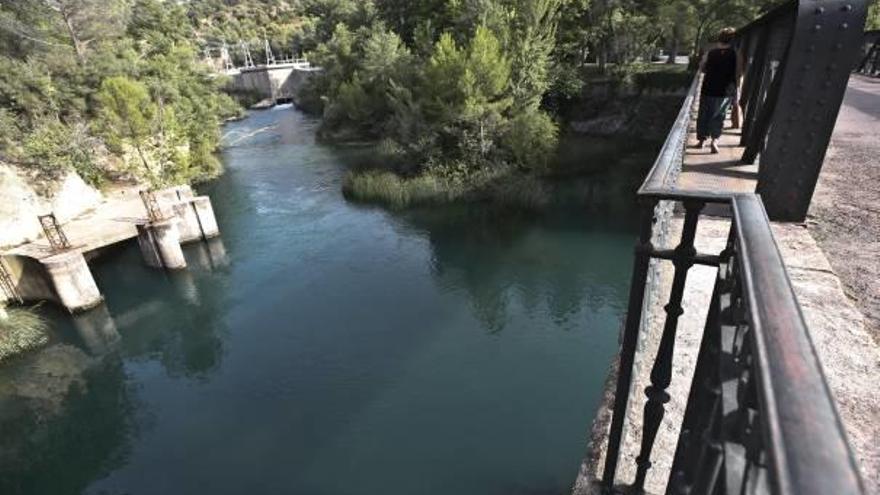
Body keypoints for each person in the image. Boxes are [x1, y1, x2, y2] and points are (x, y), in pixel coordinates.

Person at [695, 27, 743, 153]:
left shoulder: (710, 53)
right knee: (719, 116)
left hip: (708, 87)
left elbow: (701, 68)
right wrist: (738, 91)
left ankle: (701, 140)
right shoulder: (736, 53)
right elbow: (738, 73)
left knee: (704, 114)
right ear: (733, 40)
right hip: (725, 90)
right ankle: (714, 141)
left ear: (720, 38)